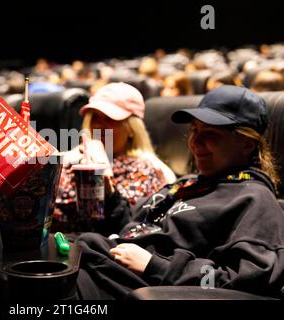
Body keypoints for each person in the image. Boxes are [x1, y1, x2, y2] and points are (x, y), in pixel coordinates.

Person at [75, 85, 284, 299]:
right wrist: (110, 197)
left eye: (211, 133)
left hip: (135, 288)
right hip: (104, 264)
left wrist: (155, 266)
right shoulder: (185, 185)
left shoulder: (255, 200)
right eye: (195, 130)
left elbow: (247, 282)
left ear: (247, 143)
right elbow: (133, 229)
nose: (196, 142)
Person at [54, 82, 176, 233]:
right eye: (95, 117)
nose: (98, 125)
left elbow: (131, 229)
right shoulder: (72, 157)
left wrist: (106, 188)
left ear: (132, 128)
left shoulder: (147, 170)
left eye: (110, 119)